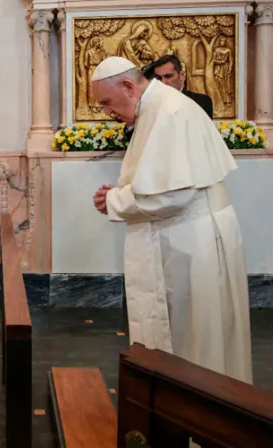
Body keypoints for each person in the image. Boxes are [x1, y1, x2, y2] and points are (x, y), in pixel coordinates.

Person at [90, 56, 252, 384]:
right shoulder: (156, 108)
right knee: (190, 341)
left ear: (128, 86)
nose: (107, 111)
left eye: (107, 102)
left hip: (191, 245)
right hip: (187, 239)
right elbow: (158, 180)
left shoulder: (168, 111)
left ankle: (196, 424)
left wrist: (114, 200)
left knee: (194, 344)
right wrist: (123, 192)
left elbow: (171, 195)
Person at [149, 54, 214, 119]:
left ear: (182, 75)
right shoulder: (151, 105)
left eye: (168, 76)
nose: (162, 82)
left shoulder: (201, 102)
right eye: (158, 78)